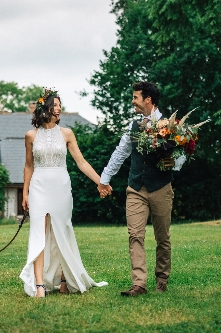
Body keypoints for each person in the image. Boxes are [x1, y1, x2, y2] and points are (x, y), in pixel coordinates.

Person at [19, 89, 108, 298]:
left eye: (60, 105)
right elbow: (28, 166)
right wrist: (25, 193)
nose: (59, 108)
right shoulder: (30, 136)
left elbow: (81, 162)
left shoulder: (66, 133)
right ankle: (39, 284)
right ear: (45, 108)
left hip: (61, 186)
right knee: (39, 234)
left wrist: (101, 182)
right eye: (55, 105)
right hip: (38, 187)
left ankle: (64, 279)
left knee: (61, 230)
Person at [97, 81, 183, 296]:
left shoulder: (169, 125)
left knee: (162, 237)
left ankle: (162, 279)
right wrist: (104, 179)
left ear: (148, 100)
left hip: (161, 187)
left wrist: (173, 160)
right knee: (135, 235)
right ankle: (139, 284)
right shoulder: (133, 126)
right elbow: (120, 152)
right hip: (135, 187)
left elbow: (181, 157)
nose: (132, 101)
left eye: (135, 97)